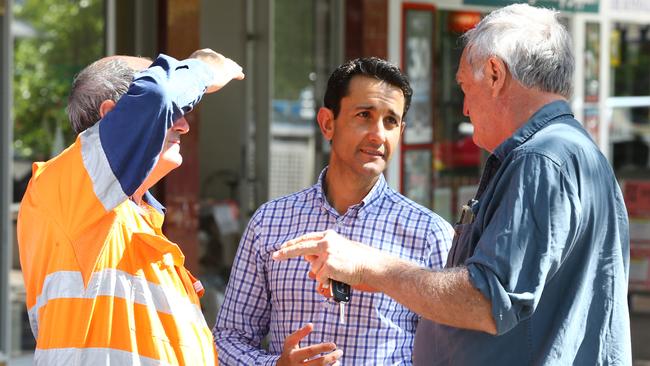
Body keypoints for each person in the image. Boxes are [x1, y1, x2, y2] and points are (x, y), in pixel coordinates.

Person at [273, 4, 632, 365]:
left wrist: (371, 266)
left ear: (494, 74)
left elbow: (488, 300)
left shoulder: (541, 159)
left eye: (464, 86)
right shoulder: (573, 153)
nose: (463, 108)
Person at [213, 57, 453, 365]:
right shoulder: (270, 222)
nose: (378, 134)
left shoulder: (429, 234)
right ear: (328, 123)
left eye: (390, 121)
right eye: (364, 115)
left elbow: (451, 353)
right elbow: (229, 339)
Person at [17, 48, 244, 365]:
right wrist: (205, 68)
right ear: (113, 118)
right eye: (172, 114)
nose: (183, 126)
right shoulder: (67, 188)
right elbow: (157, 95)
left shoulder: (138, 221)